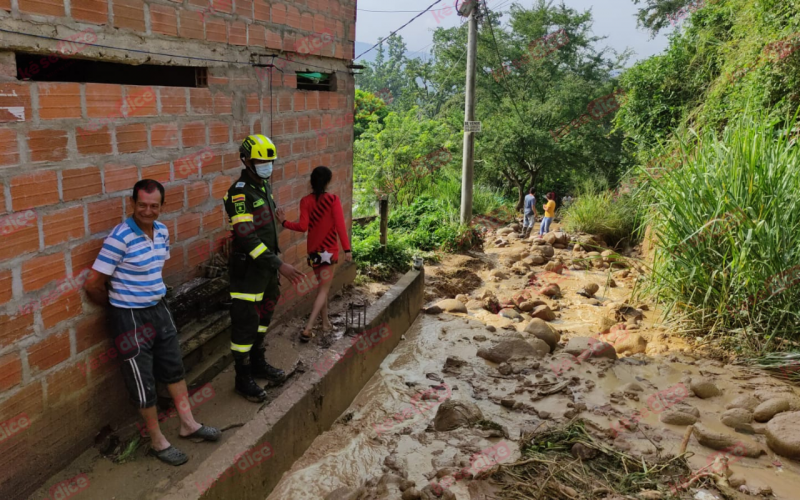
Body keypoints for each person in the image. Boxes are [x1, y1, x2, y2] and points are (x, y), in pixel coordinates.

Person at [86, 180, 220, 466]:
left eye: (154, 206)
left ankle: (188, 424)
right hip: (130, 317)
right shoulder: (119, 237)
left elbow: (155, 269)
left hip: (159, 308)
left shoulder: (161, 231)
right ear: (132, 204)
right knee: (142, 379)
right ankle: (158, 440)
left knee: (174, 367)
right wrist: (117, 306)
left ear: (162, 206)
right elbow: (93, 284)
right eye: (142, 205)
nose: (148, 211)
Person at [224, 134, 305, 403]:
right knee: (245, 326)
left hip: (267, 273)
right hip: (248, 274)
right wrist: (279, 264)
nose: (266, 165)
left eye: (270, 161)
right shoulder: (238, 193)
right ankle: (242, 377)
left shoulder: (263, 187)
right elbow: (247, 237)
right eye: (260, 161)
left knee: (262, 322)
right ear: (245, 160)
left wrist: (273, 266)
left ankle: (258, 363)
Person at [278, 166, 352, 342]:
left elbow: (303, 227)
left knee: (321, 289)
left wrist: (284, 222)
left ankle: (325, 323)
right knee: (323, 290)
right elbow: (341, 227)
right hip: (329, 251)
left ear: (311, 182)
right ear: (327, 182)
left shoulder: (305, 201)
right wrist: (347, 250)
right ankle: (308, 328)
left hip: (313, 252)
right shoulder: (333, 200)